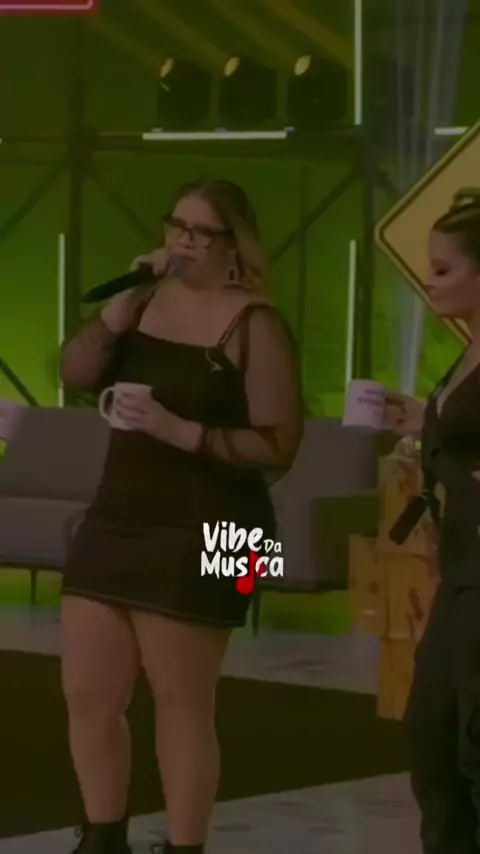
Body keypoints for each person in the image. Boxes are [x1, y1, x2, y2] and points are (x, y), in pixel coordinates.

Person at [59, 178, 303, 854]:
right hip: (120, 511)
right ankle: (102, 837)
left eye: (202, 232)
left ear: (233, 246)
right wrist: (118, 310)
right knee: (87, 693)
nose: (185, 242)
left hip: (223, 526)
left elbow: (280, 444)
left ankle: (188, 846)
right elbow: (74, 373)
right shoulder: (141, 304)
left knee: (183, 700)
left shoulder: (256, 324)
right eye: (177, 226)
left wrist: (182, 431)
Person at [387, 187, 480, 853]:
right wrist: (425, 430)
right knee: (433, 735)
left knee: (472, 744)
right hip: (460, 568)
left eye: (444, 268)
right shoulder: (468, 350)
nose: (429, 280)